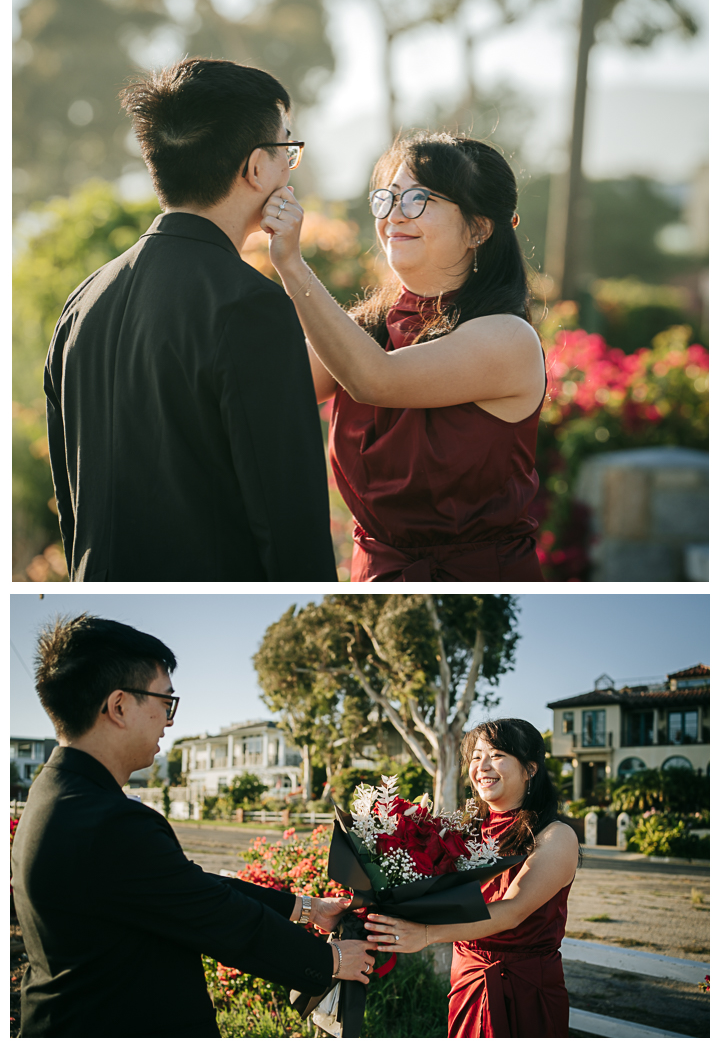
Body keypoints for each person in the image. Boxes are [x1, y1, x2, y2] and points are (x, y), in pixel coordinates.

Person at [44, 58, 337, 583]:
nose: (291, 166)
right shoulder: (251, 306)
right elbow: (291, 520)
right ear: (255, 168)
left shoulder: (81, 303)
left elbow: (73, 506)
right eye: (287, 149)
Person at [11, 615, 374, 1037]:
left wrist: (308, 909)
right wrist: (331, 961)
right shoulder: (108, 821)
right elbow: (217, 917)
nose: (169, 720)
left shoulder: (56, 791)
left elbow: (184, 887)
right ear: (119, 706)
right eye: (166, 702)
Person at [262, 132, 547, 581]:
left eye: (418, 199)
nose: (394, 215)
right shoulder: (365, 329)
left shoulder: (508, 338)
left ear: (479, 228)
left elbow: (377, 381)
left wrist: (292, 264)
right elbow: (270, 390)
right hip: (373, 577)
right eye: (387, 198)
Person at [362, 718, 579, 1037]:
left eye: (498, 755)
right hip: (467, 978)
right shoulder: (461, 832)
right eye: (476, 757)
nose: (483, 766)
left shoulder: (556, 836)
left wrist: (426, 934)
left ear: (531, 768)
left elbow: (514, 911)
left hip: (525, 989)